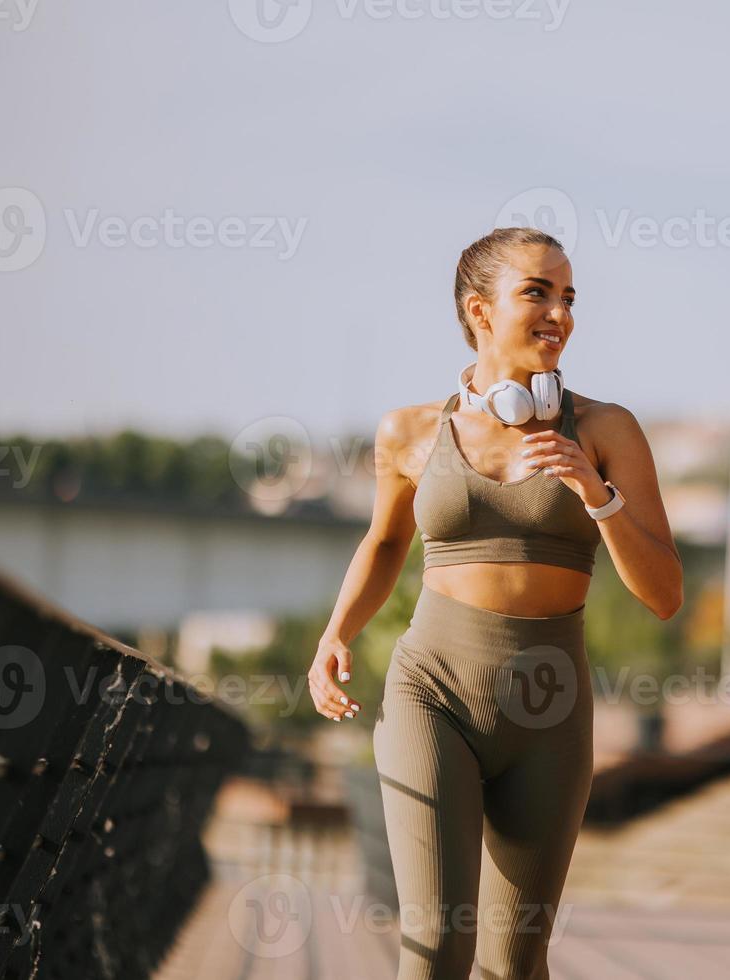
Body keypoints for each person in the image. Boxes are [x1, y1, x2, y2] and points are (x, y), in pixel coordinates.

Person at [307, 226, 682, 979]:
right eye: (537, 292)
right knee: (438, 944)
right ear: (480, 311)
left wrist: (595, 493)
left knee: (514, 964)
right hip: (432, 690)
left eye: (569, 296)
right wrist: (336, 633)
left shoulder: (607, 430)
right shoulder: (410, 430)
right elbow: (385, 545)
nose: (561, 312)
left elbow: (666, 595)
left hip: (550, 707)